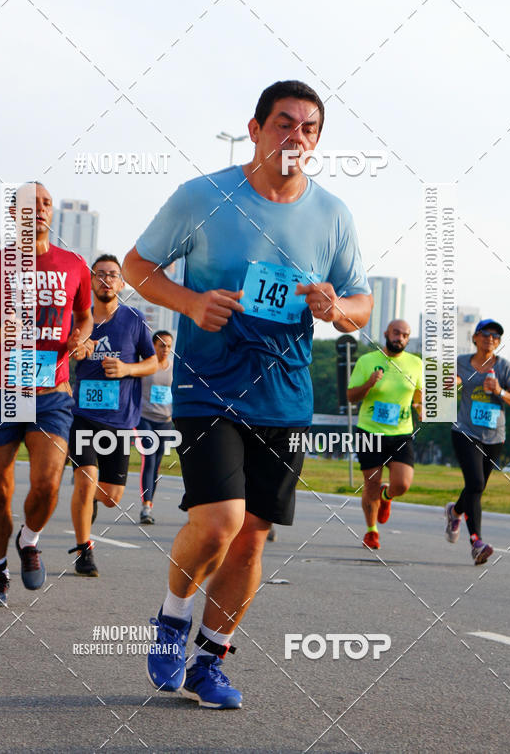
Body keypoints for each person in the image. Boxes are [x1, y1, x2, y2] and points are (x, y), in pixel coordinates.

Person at [123, 79, 372, 709]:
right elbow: (136, 265)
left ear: (317, 142)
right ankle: (173, 619)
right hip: (209, 386)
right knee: (219, 523)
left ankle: (209, 662)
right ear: (256, 127)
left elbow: (361, 303)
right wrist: (190, 301)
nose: (296, 136)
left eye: (309, 128)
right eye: (284, 123)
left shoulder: (332, 214)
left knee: (254, 534)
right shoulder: (202, 196)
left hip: (284, 395)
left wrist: (337, 307)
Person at [0, 182, 93, 606]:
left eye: (47, 204)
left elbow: (85, 318)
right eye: (32, 205)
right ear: (14, 214)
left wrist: (81, 340)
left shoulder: (74, 265)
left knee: (48, 484)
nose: (42, 210)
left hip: (52, 393)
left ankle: (29, 541)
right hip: (3, 392)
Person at [68, 255, 157, 576]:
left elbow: (154, 362)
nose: (106, 280)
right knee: (85, 480)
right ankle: (84, 552)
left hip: (120, 421)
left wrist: (126, 369)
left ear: (122, 283)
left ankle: (90, 501)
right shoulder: (79, 319)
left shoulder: (133, 319)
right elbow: (61, 355)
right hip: (83, 416)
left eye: (113, 275)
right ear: (90, 282)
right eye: (100, 275)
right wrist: (74, 350)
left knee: (109, 498)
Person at [445, 319, 510, 564]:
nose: (490, 339)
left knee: (476, 487)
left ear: (498, 342)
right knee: (476, 483)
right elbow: (446, 384)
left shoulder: (505, 368)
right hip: (465, 431)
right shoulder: (461, 363)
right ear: (475, 338)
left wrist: (499, 391)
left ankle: (455, 512)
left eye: (496, 336)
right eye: (485, 334)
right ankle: (476, 542)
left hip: (494, 436)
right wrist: (454, 383)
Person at [347, 320, 422, 550]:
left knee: (403, 484)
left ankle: (387, 496)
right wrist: (369, 383)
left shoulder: (416, 364)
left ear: (408, 339)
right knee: (371, 485)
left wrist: (421, 408)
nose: (399, 337)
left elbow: (418, 396)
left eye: (404, 335)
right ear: (386, 333)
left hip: (401, 433)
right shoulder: (367, 361)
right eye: (396, 333)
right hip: (370, 431)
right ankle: (372, 532)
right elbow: (351, 396)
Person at [137, 330, 174, 525]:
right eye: (162, 345)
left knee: (157, 462)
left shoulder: (174, 368)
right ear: (153, 346)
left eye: (168, 346)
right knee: (149, 458)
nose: (165, 349)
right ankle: (146, 507)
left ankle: (150, 503)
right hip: (144, 418)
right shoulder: (146, 366)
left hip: (165, 420)